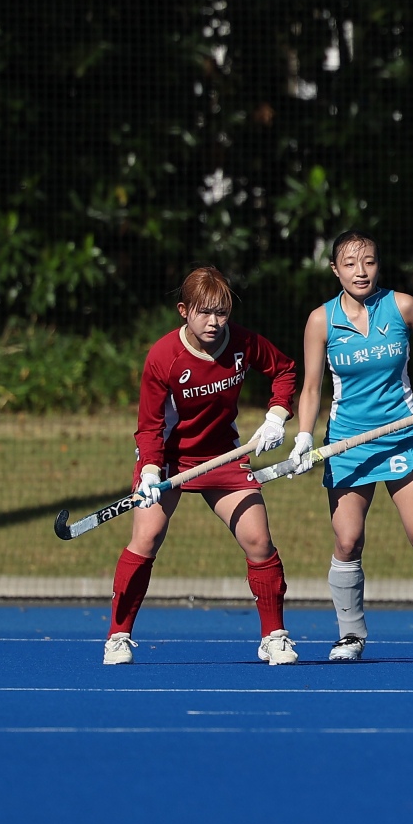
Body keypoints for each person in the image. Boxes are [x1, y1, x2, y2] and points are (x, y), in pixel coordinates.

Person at [290, 231, 413, 663]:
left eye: (369, 262)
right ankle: (350, 636)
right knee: (348, 541)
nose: (361, 271)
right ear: (335, 270)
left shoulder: (402, 306)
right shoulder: (320, 320)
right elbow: (312, 388)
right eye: (350, 264)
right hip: (347, 443)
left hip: (401, 438)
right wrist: (303, 436)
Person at [107, 266, 302, 666]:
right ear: (184, 311)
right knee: (146, 538)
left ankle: (274, 636)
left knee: (258, 540)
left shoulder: (243, 342)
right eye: (204, 313)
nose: (214, 322)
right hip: (168, 459)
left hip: (222, 455)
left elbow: (284, 370)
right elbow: (149, 426)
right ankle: (118, 636)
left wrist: (277, 416)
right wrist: (149, 472)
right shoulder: (163, 357)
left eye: (222, 312)